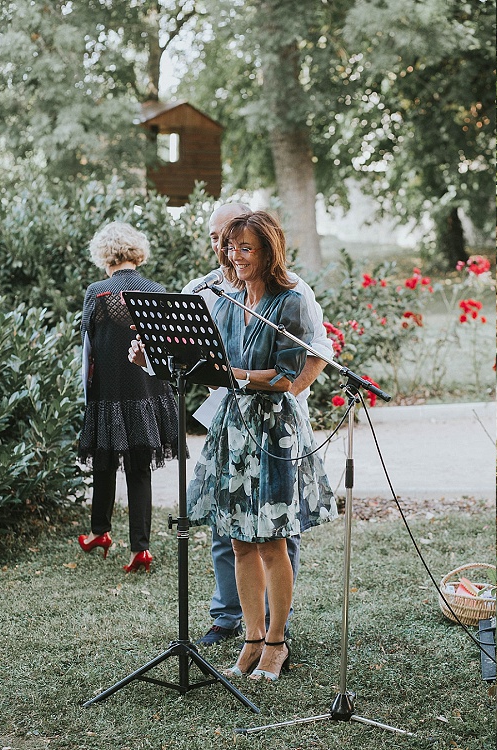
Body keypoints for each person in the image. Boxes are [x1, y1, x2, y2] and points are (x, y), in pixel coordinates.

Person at [184, 210, 337, 681]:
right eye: (230, 247)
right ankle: (250, 639)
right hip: (232, 424)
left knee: (272, 542)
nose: (234, 256)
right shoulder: (225, 299)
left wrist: (240, 376)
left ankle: (277, 642)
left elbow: (290, 377)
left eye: (245, 248)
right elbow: (208, 358)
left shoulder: (288, 300)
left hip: (273, 427)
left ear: (268, 251)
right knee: (239, 540)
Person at [77, 222, 180, 573]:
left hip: (109, 393)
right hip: (148, 393)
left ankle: (100, 532)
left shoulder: (98, 292)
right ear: (138, 251)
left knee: (103, 463)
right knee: (140, 469)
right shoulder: (157, 290)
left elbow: (87, 345)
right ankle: (141, 550)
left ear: (104, 255)